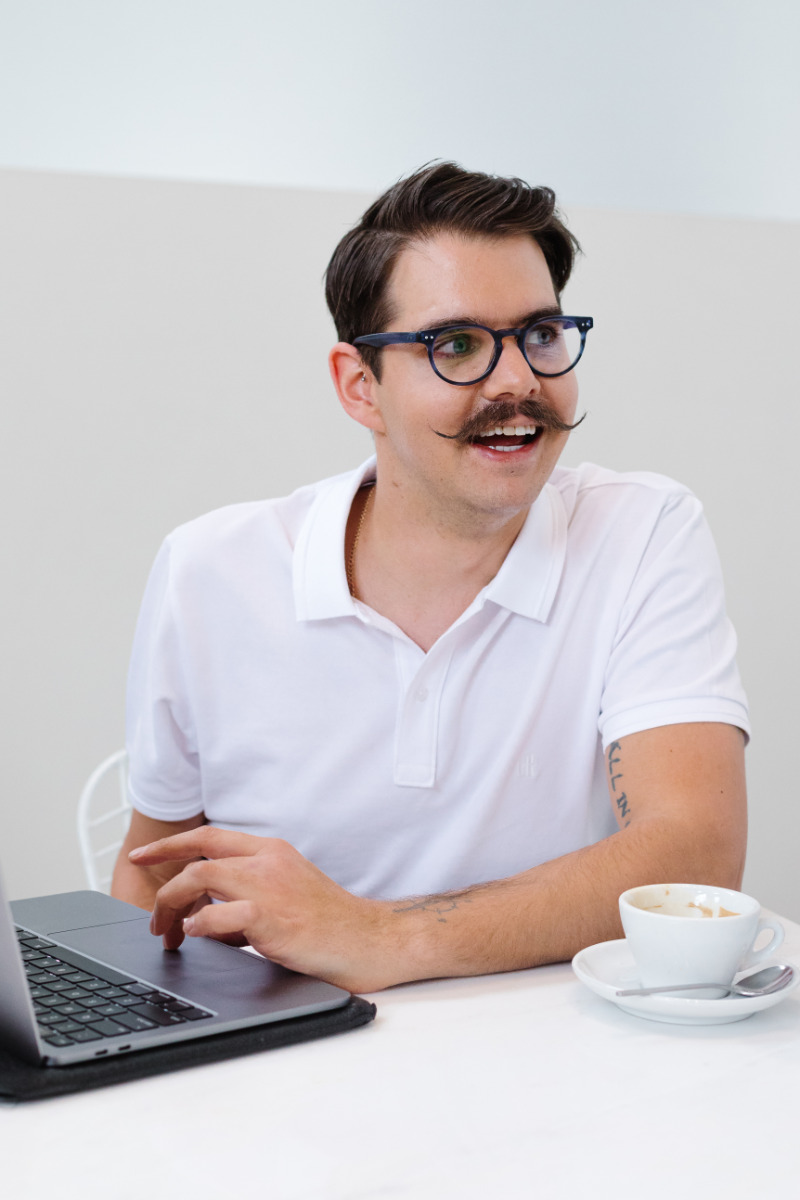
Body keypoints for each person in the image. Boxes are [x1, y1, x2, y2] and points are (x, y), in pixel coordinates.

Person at [112, 162, 749, 993]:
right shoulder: (211, 570)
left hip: (555, 1068)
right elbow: (152, 873)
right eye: (456, 346)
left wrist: (378, 937)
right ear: (359, 387)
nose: (518, 381)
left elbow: (693, 853)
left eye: (542, 335)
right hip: (284, 1066)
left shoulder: (642, 531)